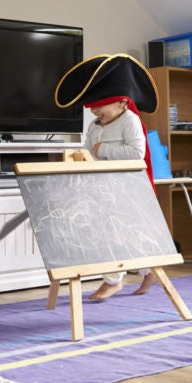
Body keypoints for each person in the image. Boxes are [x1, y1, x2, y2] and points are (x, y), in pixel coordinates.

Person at [54, 53, 160, 300]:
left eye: (99, 106)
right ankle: (148, 270)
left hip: (126, 189)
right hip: (102, 188)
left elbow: (137, 153)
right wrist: (81, 160)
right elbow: (88, 151)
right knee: (111, 233)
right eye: (91, 107)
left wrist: (104, 150)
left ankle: (114, 280)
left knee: (119, 232)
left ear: (122, 102)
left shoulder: (129, 121)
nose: (94, 111)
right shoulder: (95, 126)